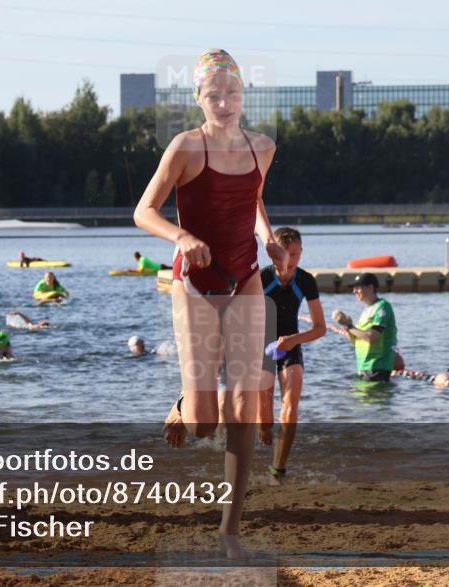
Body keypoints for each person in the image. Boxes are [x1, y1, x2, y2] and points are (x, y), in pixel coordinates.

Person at [133, 49, 288, 558]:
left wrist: (268, 237)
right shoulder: (185, 147)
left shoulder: (262, 147)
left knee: (243, 407)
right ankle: (184, 407)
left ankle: (230, 531)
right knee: (204, 421)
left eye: (233, 94)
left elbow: (255, 200)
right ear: (199, 99)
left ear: (244, 96)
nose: (224, 103)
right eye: (214, 95)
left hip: (244, 278)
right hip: (195, 284)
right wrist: (179, 237)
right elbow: (144, 211)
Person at [257, 227, 326, 485]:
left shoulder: (306, 281)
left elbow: (320, 328)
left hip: (291, 344)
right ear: (272, 253)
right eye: (284, 254)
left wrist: (292, 341)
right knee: (265, 419)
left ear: (301, 253)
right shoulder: (261, 278)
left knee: (290, 407)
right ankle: (263, 426)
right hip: (260, 346)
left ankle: (278, 470)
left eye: (295, 254)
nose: (289, 260)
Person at [334, 273, 398, 383]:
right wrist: (346, 325)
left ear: (371, 287)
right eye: (353, 288)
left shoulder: (383, 306)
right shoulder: (366, 311)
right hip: (364, 368)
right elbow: (357, 342)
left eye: (358, 288)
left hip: (378, 368)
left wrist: (350, 326)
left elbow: (371, 338)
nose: (354, 291)